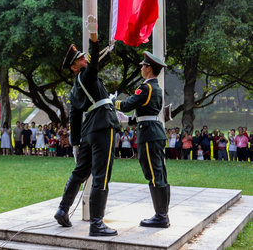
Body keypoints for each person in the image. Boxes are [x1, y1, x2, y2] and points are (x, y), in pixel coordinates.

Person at [54, 16, 119, 237]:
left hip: (88, 132)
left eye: (83, 57)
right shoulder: (87, 75)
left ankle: (63, 209)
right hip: (102, 127)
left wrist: (75, 143)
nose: (84, 60)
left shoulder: (74, 90)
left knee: (80, 171)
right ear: (75, 66)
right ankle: (97, 223)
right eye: (80, 59)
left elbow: (74, 116)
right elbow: (93, 61)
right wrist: (93, 35)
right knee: (102, 174)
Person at [114, 51, 170, 228]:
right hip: (153, 131)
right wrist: (127, 119)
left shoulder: (146, 87)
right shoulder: (156, 87)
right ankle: (162, 214)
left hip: (149, 134)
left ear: (148, 68)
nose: (141, 68)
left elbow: (127, 104)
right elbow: (145, 112)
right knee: (159, 173)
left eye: (143, 65)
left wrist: (113, 102)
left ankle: (161, 216)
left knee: (154, 174)